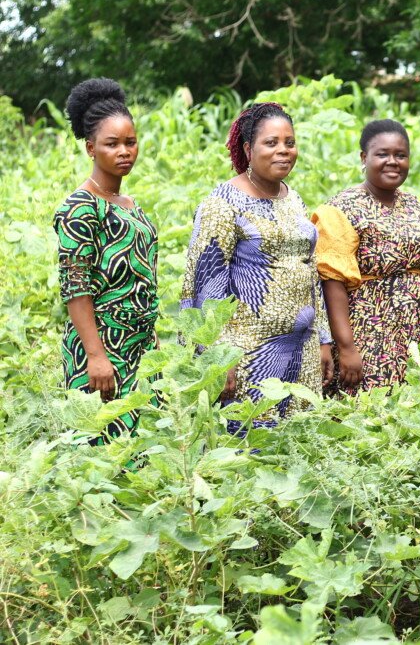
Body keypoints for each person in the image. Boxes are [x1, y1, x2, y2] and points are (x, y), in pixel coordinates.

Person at [180, 102, 332, 429]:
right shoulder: (222, 205)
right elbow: (202, 285)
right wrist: (216, 358)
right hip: (247, 356)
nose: (283, 151)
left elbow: (310, 273)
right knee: (249, 449)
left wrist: (323, 338)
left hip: (301, 353)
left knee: (295, 450)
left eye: (289, 143)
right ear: (248, 149)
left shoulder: (293, 199)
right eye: (271, 143)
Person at [54, 78, 157, 439]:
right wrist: (95, 356)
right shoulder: (80, 207)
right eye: (111, 144)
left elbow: (140, 278)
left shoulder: (131, 206)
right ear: (90, 148)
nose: (124, 151)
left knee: (145, 450)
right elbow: (75, 286)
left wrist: (152, 336)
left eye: (130, 142)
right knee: (105, 452)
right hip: (102, 347)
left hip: (140, 346)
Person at [312, 119, 420, 392]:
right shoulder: (341, 208)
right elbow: (332, 282)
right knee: (373, 415)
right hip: (371, 335)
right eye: (382, 154)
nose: (393, 162)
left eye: (400, 155)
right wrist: (347, 348)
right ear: (364, 158)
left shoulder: (413, 204)